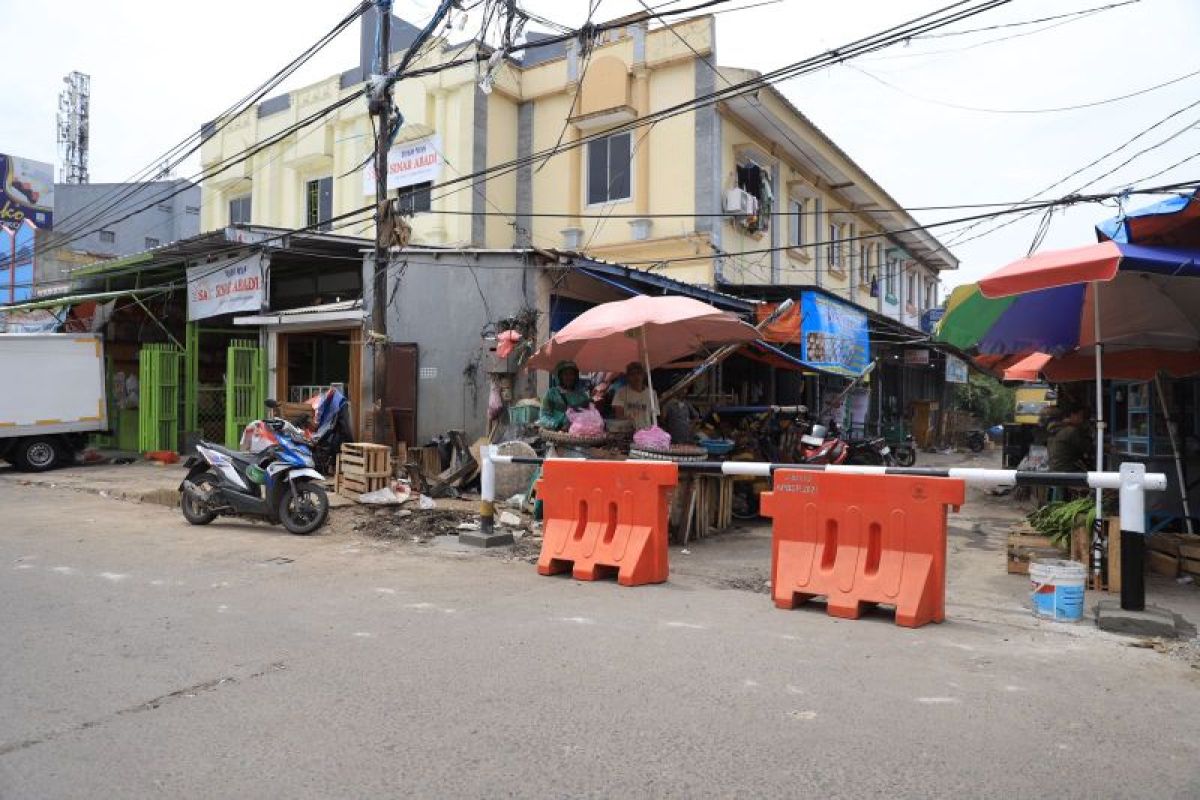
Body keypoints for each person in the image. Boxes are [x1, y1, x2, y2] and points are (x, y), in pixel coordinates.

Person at [538, 360, 591, 431]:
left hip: (578, 434)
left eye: (572, 374)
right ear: (560, 376)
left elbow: (588, 416)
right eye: (565, 374)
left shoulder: (582, 395)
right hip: (556, 434)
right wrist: (557, 425)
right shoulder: (551, 394)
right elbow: (543, 417)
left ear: (576, 376)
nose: (569, 377)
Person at [611, 361, 659, 430]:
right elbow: (619, 416)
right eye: (632, 374)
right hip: (628, 432)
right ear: (627, 377)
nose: (636, 377)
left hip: (647, 432)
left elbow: (654, 417)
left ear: (643, 375)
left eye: (639, 373)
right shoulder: (621, 393)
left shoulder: (652, 393)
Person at [1047, 403, 1092, 473]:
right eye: (1081, 415)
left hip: (1055, 468)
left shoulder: (1058, 427)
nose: (1082, 419)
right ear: (1073, 415)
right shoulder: (1071, 431)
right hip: (1067, 469)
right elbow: (1086, 447)